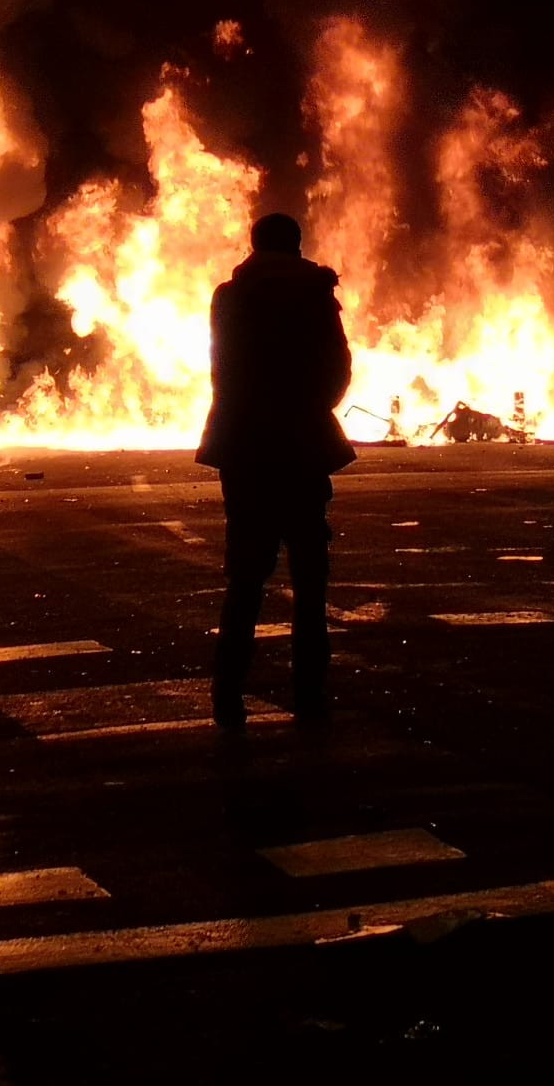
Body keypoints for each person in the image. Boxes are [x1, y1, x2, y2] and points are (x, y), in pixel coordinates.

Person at [196, 212, 357, 728]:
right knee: (310, 577)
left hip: (243, 446)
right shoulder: (314, 292)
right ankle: (310, 693)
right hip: (302, 445)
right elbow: (338, 365)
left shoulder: (230, 296)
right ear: (297, 245)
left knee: (245, 576)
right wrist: (313, 409)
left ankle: (228, 694)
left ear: (254, 244)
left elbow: (222, 367)